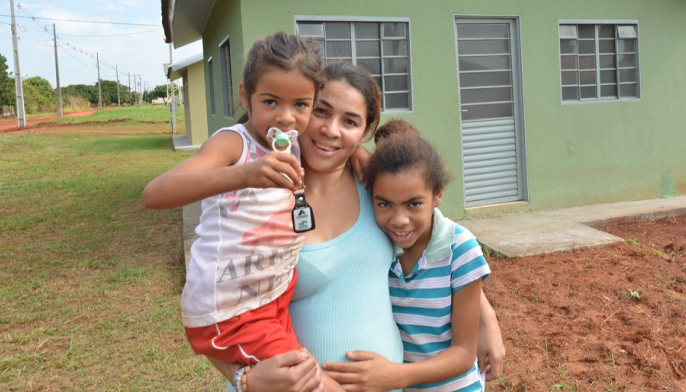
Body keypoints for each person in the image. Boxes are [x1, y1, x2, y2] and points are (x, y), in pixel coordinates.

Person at [214, 63, 505, 392]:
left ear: (365, 131)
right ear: (302, 109)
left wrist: (485, 316)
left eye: (350, 121)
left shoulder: (376, 188)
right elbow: (213, 305)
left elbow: (439, 241)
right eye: (321, 112)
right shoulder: (260, 197)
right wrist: (241, 378)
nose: (331, 130)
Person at [142, 32, 328, 391]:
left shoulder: (294, 142)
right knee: (306, 382)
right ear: (246, 95)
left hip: (272, 297)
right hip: (230, 311)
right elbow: (155, 194)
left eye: (301, 105)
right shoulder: (233, 144)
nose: (287, 117)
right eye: (271, 101)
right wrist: (243, 174)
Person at [322, 119, 489, 391]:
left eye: (414, 204)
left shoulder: (461, 249)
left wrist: (397, 375)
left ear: (437, 195)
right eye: (384, 204)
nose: (399, 220)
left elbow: (463, 352)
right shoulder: (376, 245)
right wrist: (353, 150)